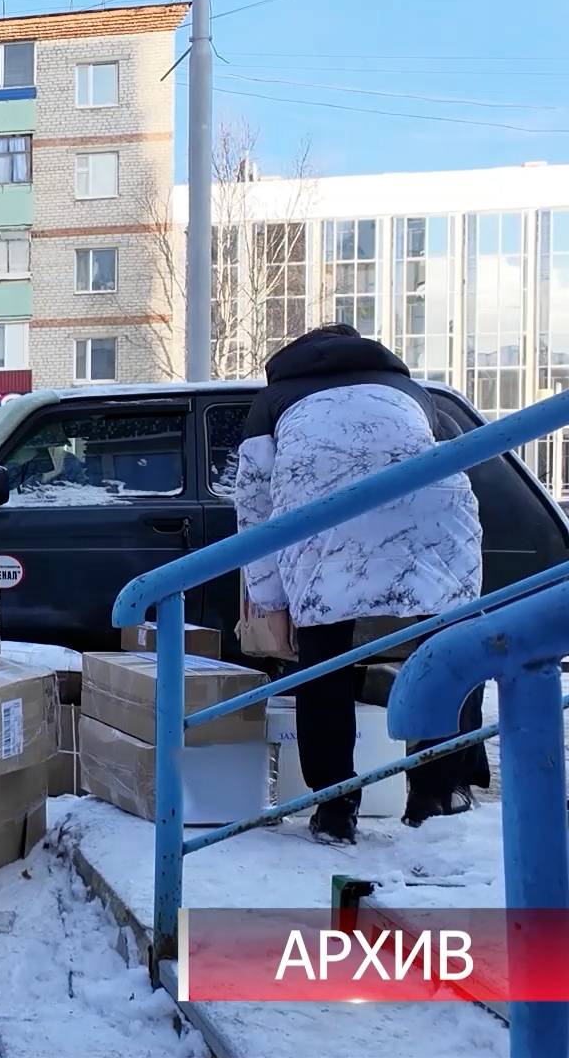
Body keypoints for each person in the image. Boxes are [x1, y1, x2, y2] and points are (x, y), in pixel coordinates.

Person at [235, 322, 488, 844]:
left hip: (325, 520)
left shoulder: (274, 398)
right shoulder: (406, 390)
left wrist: (270, 603)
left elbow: (255, 506)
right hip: (433, 511)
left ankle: (334, 808)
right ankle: (438, 791)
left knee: (324, 664)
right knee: (451, 650)